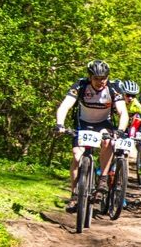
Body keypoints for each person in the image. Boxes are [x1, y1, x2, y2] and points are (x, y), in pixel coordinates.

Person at [55, 60, 129, 212]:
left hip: (103, 123)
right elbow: (65, 106)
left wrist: (120, 130)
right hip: (82, 123)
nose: (100, 81)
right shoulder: (80, 86)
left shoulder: (113, 88)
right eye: (96, 78)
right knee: (77, 156)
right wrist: (60, 124)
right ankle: (74, 194)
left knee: (108, 142)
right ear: (90, 77)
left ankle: (103, 178)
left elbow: (123, 112)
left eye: (103, 78)